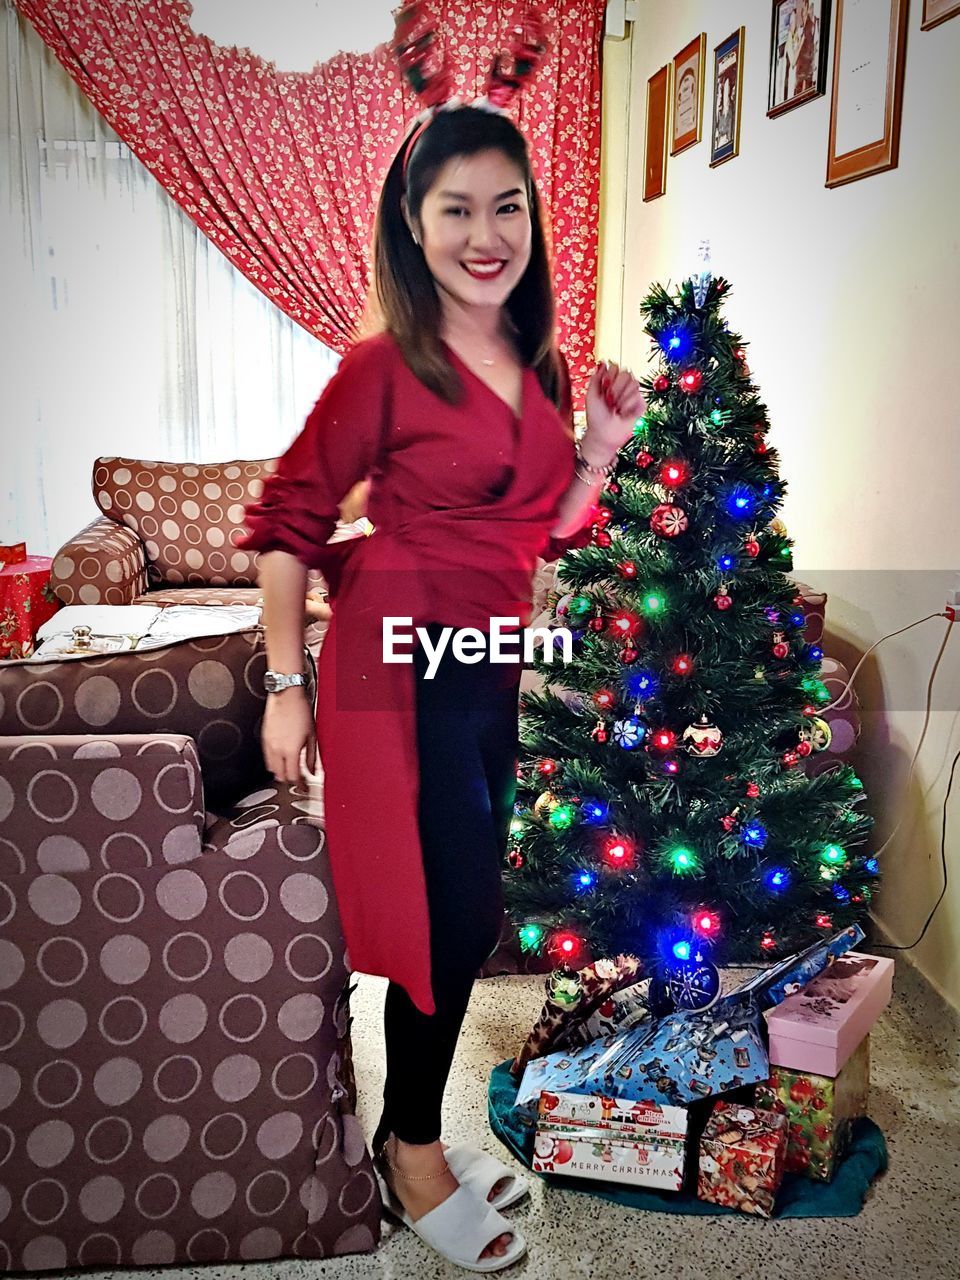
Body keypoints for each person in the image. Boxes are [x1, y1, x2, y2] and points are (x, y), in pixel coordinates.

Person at [240, 53, 644, 1280]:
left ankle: (412, 1127)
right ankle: (412, 1149)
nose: (486, 231)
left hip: (483, 668)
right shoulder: (381, 369)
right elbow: (287, 524)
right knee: (444, 919)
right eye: (456, 208)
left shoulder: (542, 368)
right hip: (389, 675)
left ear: (534, 215)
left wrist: (605, 447)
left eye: (507, 203)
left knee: (463, 916)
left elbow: (552, 530)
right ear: (414, 230)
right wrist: (285, 682)